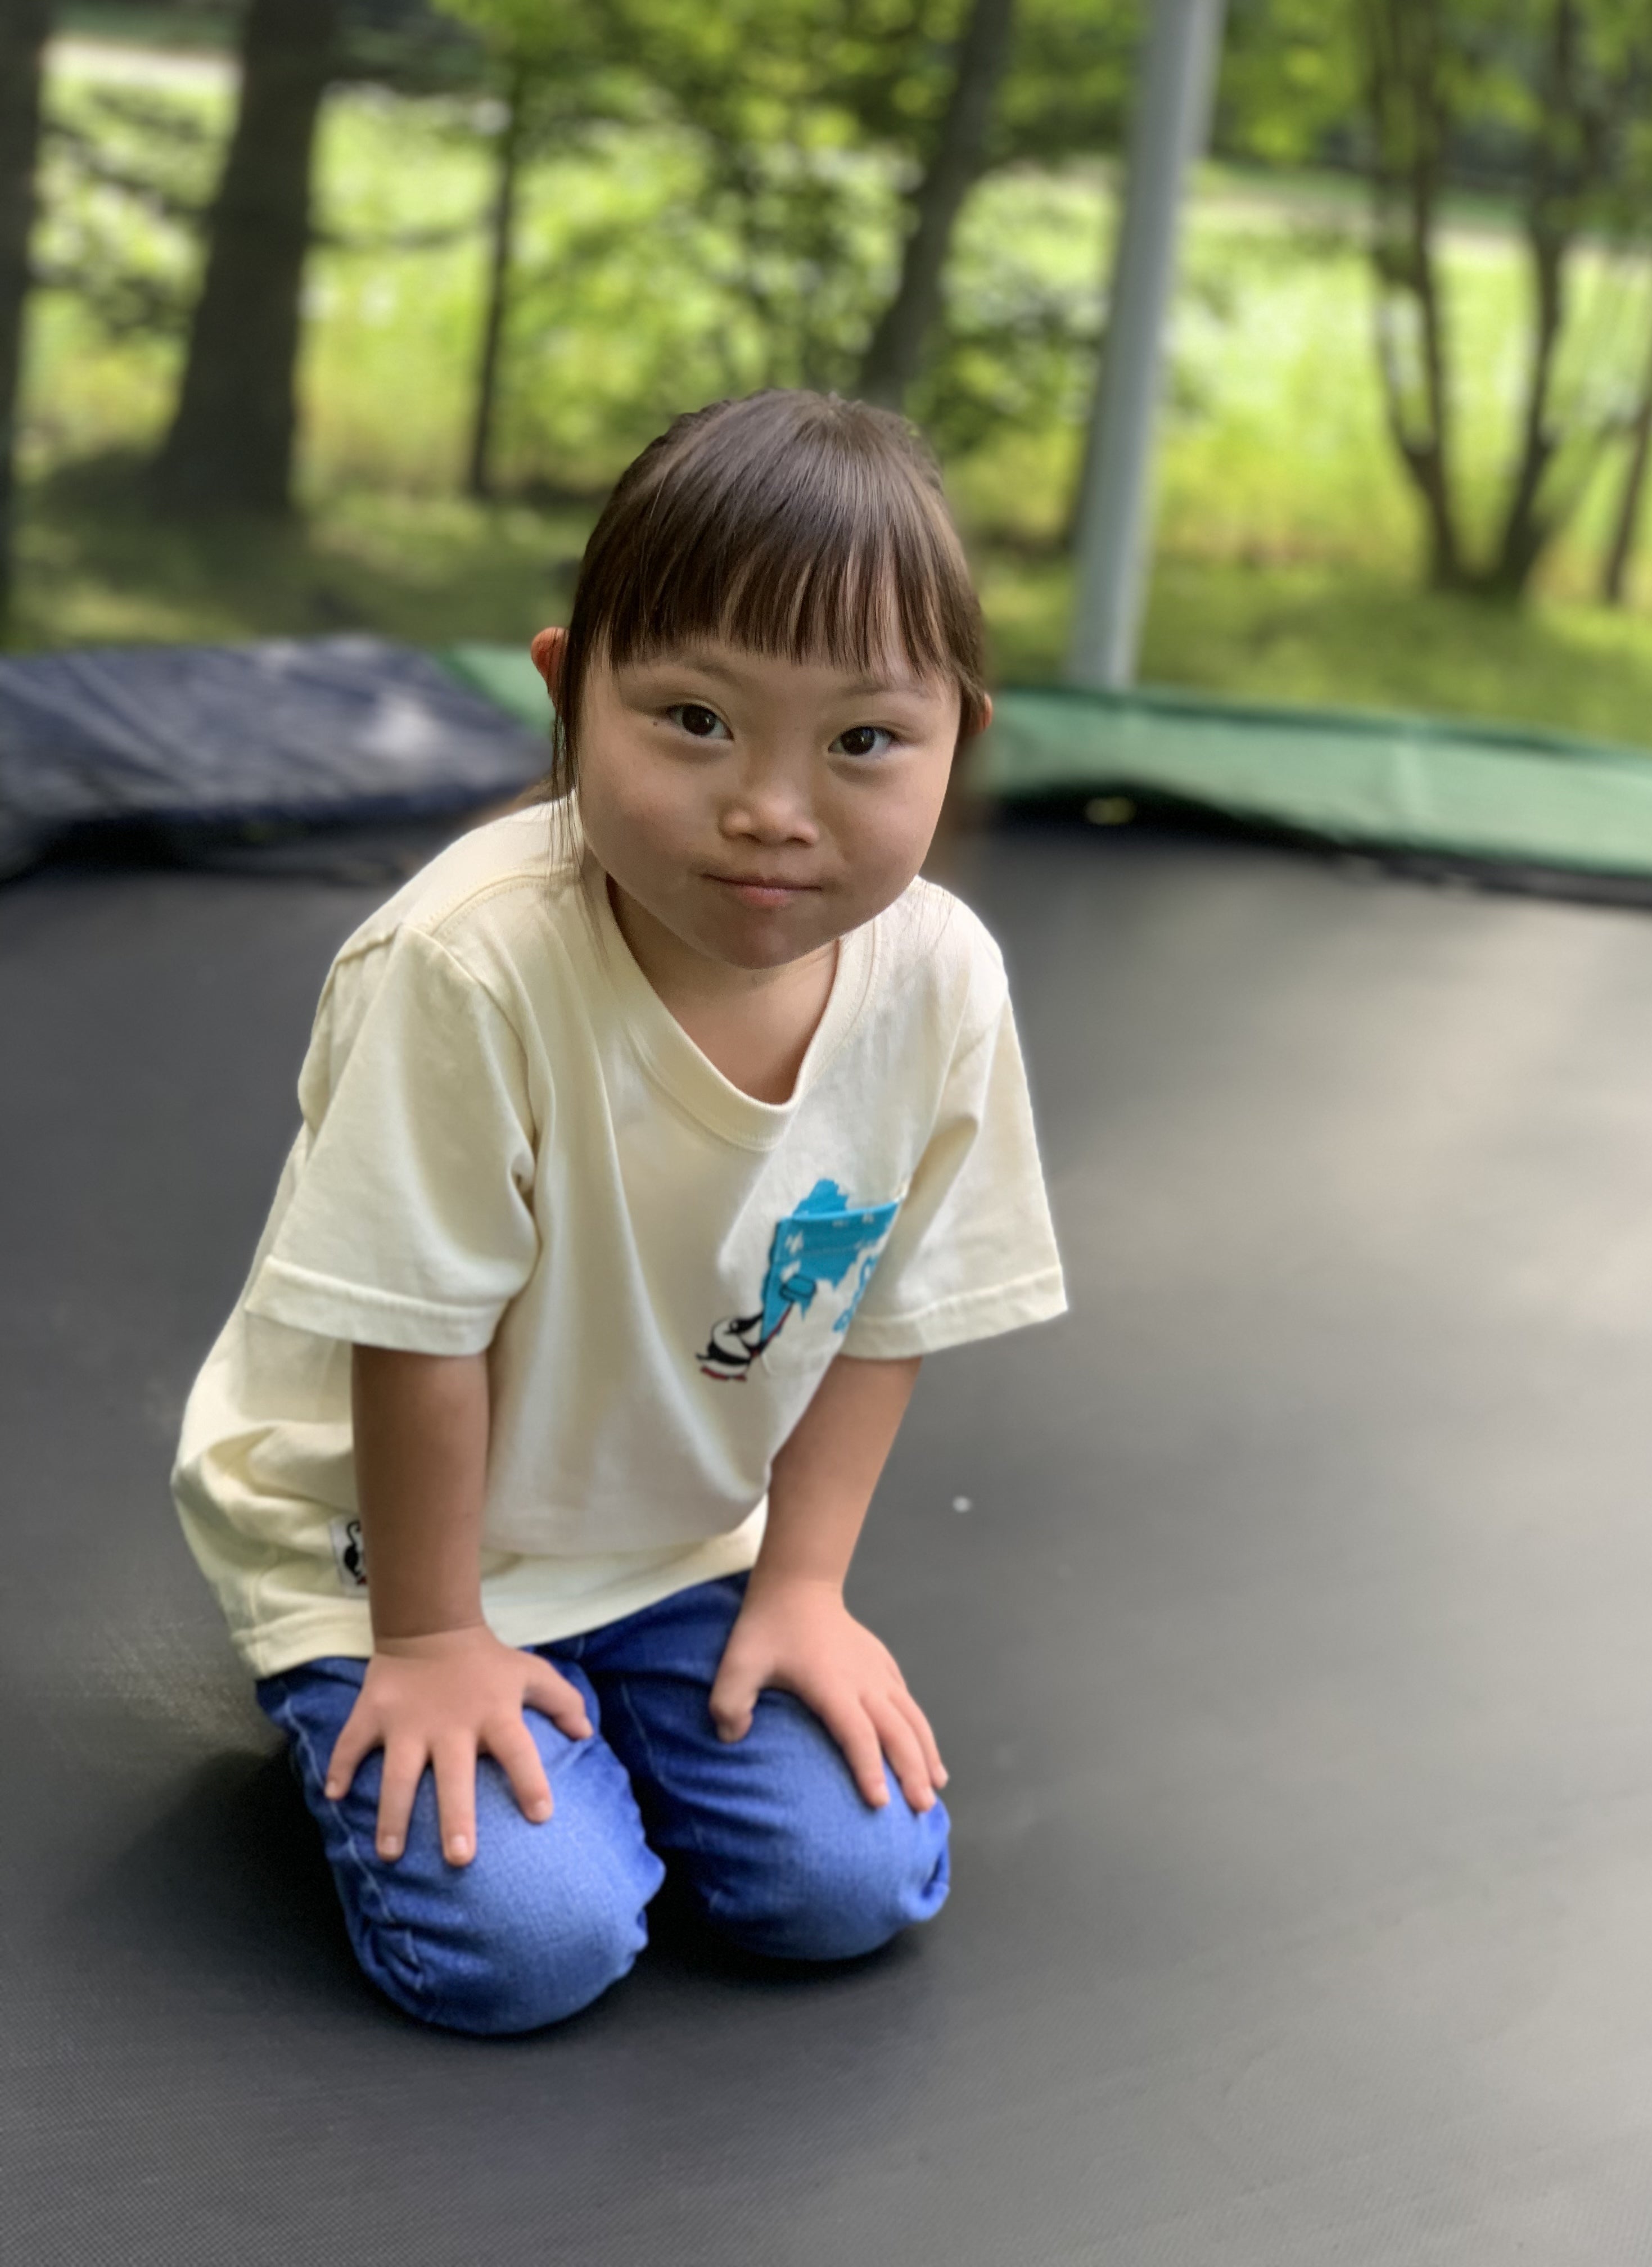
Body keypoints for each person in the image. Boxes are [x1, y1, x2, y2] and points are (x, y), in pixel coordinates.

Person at [171, 389, 1067, 2035]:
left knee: (849, 1885)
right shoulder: (472, 966)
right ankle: (352, 1701)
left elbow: (888, 1310)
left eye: (864, 741)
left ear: (958, 736)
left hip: (667, 1542)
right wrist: (429, 1640)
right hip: (386, 1545)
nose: (774, 807)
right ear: (567, 690)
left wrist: (800, 1586)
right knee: (532, 1946)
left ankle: (602, 1710)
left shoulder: (940, 981)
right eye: (696, 720)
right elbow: (420, 1336)